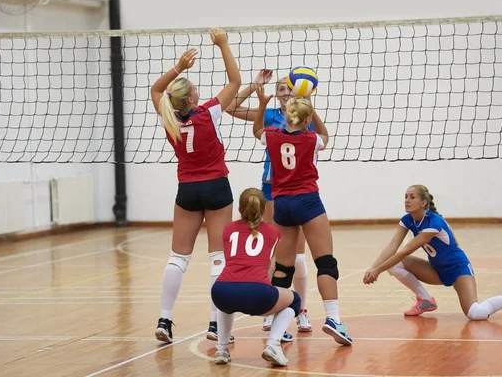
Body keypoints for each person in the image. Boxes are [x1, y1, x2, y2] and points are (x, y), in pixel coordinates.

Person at [150, 27, 241, 344]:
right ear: (191, 98)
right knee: (219, 259)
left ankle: (165, 319)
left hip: (187, 189)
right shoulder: (209, 113)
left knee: (178, 258)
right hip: (217, 187)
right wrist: (223, 44)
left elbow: (155, 89)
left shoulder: (168, 115)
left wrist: (179, 67)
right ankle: (216, 325)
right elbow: (235, 82)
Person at [251, 83, 353, 346]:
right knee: (326, 262)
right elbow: (325, 135)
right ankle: (333, 319)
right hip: (308, 201)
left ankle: (278, 323)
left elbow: (257, 130)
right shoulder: (311, 139)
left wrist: (263, 102)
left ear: (286, 116)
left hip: (282, 203)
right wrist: (311, 107)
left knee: (283, 268)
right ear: (306, 118)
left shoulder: (272, 135)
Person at [363, 184, 502, 321]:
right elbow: (393, 246)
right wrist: (373, 266)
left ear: (423, 202)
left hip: (458, 269)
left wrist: (377, 271)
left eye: (412, 197)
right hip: (437, 270)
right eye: (405, 197)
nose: (407, 200)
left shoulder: (434, 221)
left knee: (476, 313)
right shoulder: (407, 219)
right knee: (394, 265)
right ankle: (426, 300)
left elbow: (406, 250)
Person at [225, 71, 312, 333]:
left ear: (297, 93)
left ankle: (302, 309)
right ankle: (272, 305)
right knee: (272, 251)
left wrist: (307, 100)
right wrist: (256, 87)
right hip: (272, 187)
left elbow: (321, 139)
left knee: (297, 255)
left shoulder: (304, 117)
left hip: (300, 189)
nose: (284, 93)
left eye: (288, 89)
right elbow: (231, 107)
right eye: (280, 89)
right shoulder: (270, 115)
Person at [212, 187, 301, 367]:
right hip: (257, 292)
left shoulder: (228, 230)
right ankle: (273, 344)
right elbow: (269, 267)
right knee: (295, 300)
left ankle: (221, 349)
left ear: (239, 209)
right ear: (264, 209)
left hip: (220, 291)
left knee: (227, 300)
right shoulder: (274, 233)